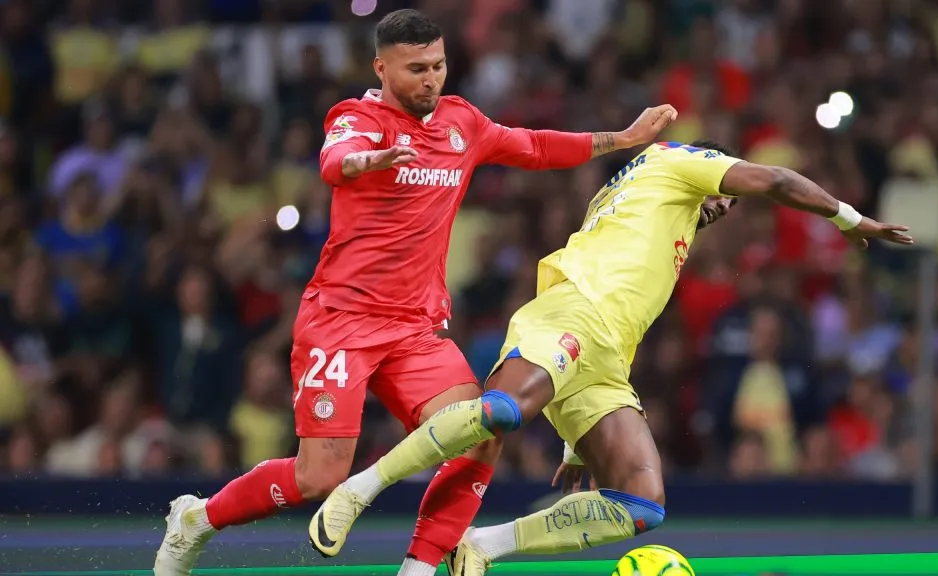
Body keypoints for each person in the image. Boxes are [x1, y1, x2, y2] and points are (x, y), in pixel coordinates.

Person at [154, 9, 677, 576]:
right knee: (319, 476)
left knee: (481, 432)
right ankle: (198, 519)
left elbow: (534, 145)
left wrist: (619, 139)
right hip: (341, 321)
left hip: (414, 330)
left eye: (439, 65)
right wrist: (366, 161)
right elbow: (335, 161)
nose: (431, 79)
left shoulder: (462, 122)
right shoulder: (358, 118)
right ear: (382, 68)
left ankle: (420, 568)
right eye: (416, 69)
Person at [314, 139, 914, 574]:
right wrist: (850, 220)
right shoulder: (677, 160)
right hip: (572, 315)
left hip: (604, 357)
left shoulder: (638, 205)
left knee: (640, 501)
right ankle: (359, 490)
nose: (723, 209)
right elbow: (780, 180)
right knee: (501, 412)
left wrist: (578, 443)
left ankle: (482, 546)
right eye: (724, 198)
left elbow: (619, 280)